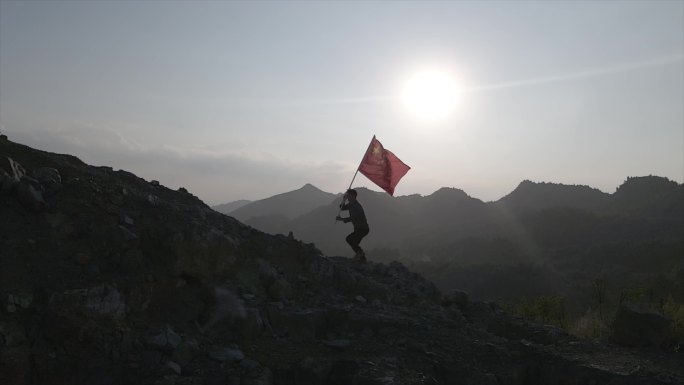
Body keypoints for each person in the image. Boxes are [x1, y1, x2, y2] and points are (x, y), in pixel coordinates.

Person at [335, 189, 369, 262]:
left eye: (348, 195)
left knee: (350, 239)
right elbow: (342, 208)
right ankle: (362, 258)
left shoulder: (356, 206)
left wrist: (341, 219)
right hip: (359, 229)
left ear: (353, 196)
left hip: (362, 229)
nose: (347, 197)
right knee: (354, 242)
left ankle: (360, 255)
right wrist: (344, 199)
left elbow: (353, 218)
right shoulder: (351, 204)